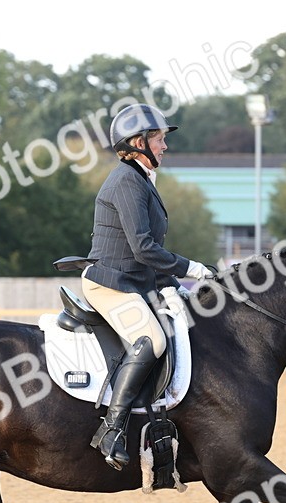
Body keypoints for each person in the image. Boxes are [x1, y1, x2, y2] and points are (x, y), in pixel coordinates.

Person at [82, 103, 216, 469]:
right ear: (138, 142)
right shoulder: (126, 180)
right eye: (158, 139)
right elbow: (143, 248)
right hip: (110, 284)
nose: (164, 146)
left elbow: (143, 256)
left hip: (134, 282)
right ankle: (111, 430)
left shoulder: (141, 180)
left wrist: (178, 287)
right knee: (153, 340)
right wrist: (193, 269)